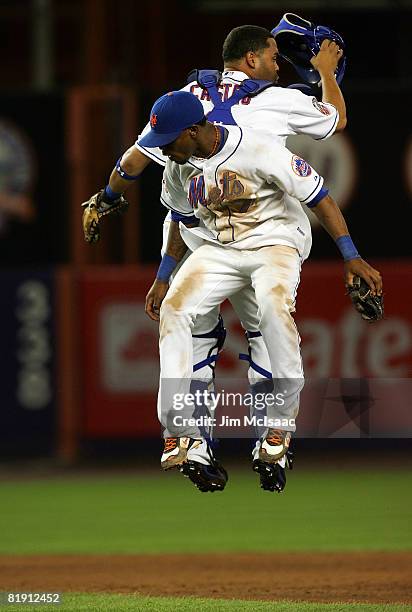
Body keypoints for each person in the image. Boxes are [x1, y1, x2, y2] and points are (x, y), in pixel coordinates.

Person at [84, 25, 349, 493]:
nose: (277, 64)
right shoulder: (270, 101)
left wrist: (105, 198)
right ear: (250, 61)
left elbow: (133, 161)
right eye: (271, 57)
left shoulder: (188, 98)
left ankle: (248, 435)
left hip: (267, 236)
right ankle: (200, 435)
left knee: (245, 321)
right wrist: (326, 72)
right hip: (216, 241)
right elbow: (335, 119)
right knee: (222, 320)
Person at [136, 91, 382, 493]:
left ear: (195, 131)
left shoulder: (256, 148)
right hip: (219, 249)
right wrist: (163, 278)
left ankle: (280, 425)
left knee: (272, 307)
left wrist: (351, 255)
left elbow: (318, 196)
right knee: (176, 310)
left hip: (275, 242)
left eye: (170, 141)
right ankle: (179, 430)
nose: (164, 150)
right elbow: (181, 222)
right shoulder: (178, 167)